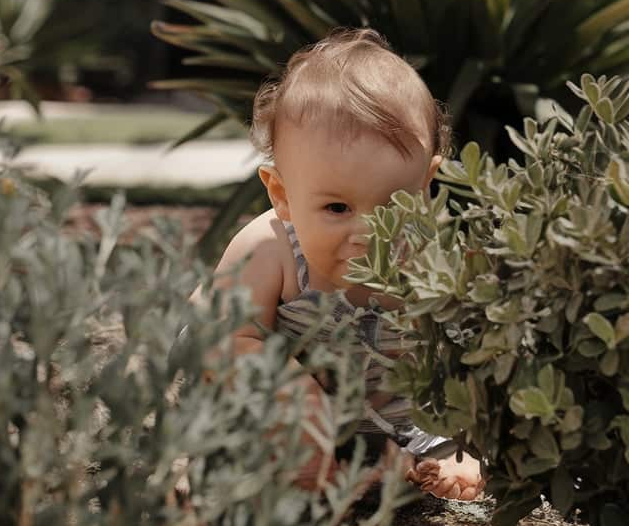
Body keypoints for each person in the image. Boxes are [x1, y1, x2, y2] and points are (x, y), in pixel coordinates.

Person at [205, 28, 483, 501]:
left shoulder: (432, 259)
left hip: (392, 417)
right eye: (337, 208)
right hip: (288, 410)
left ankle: (417, 461)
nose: (369, 232)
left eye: (393, 204)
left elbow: (459, 354)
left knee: (459, 462)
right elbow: (224, 340)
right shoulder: (270, 249)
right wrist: (292, 394)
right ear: (282, 194)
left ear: (427, 184)